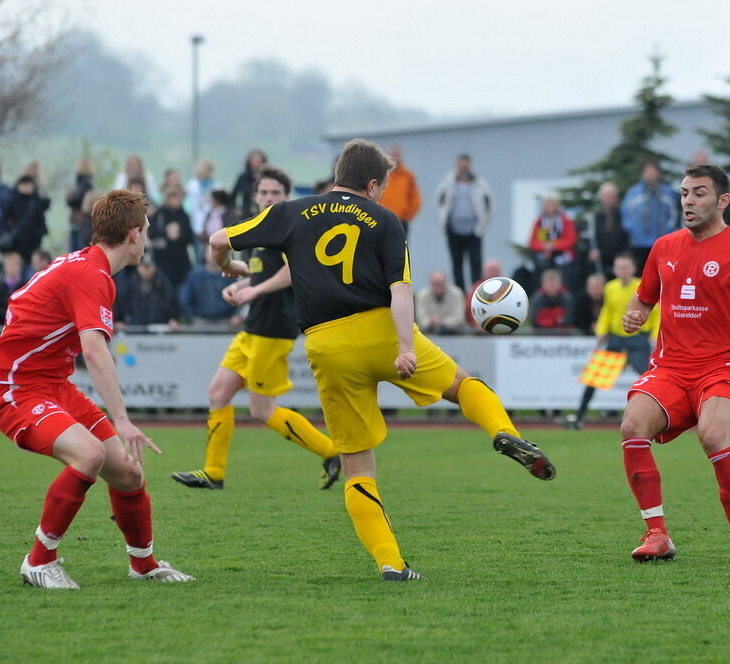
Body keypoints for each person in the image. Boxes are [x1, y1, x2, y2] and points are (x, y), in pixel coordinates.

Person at [210, 138, 555, 581]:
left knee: (357, 467)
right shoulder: (387, 221)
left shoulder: (290, 212)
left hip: (326, 344)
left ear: (338, 174)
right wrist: (406, 348)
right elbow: (401, 290)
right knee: (465, 385)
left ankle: (391, 564)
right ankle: (505, 432)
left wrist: (229, 267)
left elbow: (219, 238)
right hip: (381, 334)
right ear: (371, 185)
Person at [0, 189, 193, 589]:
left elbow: (24, 303)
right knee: (90, 454)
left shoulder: (84, 266)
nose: (146, 238)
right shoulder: (91, 275)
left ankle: (144, 564)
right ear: (131, 235)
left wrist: (5, 346)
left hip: (52, 384)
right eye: (144, 230)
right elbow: (94, 351)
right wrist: (123, 420)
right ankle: (39, 562)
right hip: (18, 389)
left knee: (127, 472)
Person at [619, 164, 730, 566]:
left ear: (722, 200)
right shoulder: (664, 247)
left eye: (699, 193)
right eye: (684, 193)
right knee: (631, 426)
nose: (688, 202)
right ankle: (656, 534)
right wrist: (635, 314)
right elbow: (643, 297)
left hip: (723, 366)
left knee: (713, 435)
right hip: (672, 367)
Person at [171, 167, 340, 491]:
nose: (268, 198)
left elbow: (293, 272)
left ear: (286, 196)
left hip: (275, 329)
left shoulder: (291, 228)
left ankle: (331, 451)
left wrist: (254, 291)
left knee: (261, 410)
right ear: (255, 196)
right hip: (253, 328)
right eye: (263, 193)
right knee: (217, 393)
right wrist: (242, 284)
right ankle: (214, 472)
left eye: (275, 193)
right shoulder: (261, 229)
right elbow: (263, 275)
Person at [565, 254, 658, 429]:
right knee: (594, 378)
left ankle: (665, 417)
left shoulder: (641, 285)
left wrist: (654, 333)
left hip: (638, 339)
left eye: (626, 267)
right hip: (616, 339)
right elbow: (607, 310)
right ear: (615, 270)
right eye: (619, 267)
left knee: (650, 379)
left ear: (633, 269)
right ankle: (578, 418)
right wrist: (601, 330)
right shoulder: (610, 287)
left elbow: (655, 311)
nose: (622, 271)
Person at [435, 154, 493, 291]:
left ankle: (476, 293)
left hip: (474, 231)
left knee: (476, 264)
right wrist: (443, 222)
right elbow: (439, 204)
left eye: (466, 165)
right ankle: (460, 294)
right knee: (457, 265)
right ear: (457, 165)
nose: (463, 167)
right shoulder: (447, 184)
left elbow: (489, 205)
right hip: (454, 231)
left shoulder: (480, 184)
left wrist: (482, 225)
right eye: (461, 165)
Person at [620, 159, 679, 269]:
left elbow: (675, 215)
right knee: (641, 273)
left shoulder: (667, 192)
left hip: (663, 242)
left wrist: (670, 232)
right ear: (643, 173)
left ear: (658, 173)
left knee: (662, 272)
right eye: (648, 171)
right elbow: (626, 214)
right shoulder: (633, 193)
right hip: (639, 242)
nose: (650, 175)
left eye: (653, 171)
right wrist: (633, 230)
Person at [114, 254, 180, 329]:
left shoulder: (163, 284)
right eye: (143, 266)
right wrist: (120, 320)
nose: (146, 270)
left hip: (159, 328)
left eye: (148, 266)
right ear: (137, 268)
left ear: (155, 267)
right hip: (135, 328)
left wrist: (173, 319)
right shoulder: (130, 284)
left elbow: (172, 304)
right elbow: (122, 304)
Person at [148, 186, 194, 289]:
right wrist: (166, 233)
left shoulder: (183, 215)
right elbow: (152, 235)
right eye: (176, 198)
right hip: (163, 263)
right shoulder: (159, 215)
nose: (179, 201)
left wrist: (179, 234)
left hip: (181, 263)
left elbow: (190, 237)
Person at [178, 248, 238, 326]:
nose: (213, 255)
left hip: (225, 321)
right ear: (205, 255)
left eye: (218, 252)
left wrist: (237, 315)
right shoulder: (195, 275)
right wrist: (191, 318)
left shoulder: (229, 275)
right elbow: (184, 298)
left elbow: (238, 295)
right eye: (211, 252)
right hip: (200, 321)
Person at [584, 182, 629, 280]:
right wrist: (590, 251)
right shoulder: (595, 218)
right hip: (600, 260)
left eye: (611, 196)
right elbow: (589, 237)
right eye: (606, 196)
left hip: (619, 257)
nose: (609, 200)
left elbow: (627, 238)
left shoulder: (624, 216)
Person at [1, 175, 50, 263]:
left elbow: (40, 219)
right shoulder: (13, 201)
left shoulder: (36, 201)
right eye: (24, 185)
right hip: (17, 240)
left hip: (33, 239)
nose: (27, 188)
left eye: (29, 185)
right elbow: (6, 219)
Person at [528, 195, 577, 276]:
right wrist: (544, 247)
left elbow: (571, 240)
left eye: (553, 205)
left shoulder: (565, 220)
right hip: (544, 255)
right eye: (548, 205)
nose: (550, 208)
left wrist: (553, 246)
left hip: (562, 255)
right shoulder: (540, 222)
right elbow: (533, 242)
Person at [379, 145, 421, 237]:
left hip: (401, 221)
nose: (394, 158)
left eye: (396, 155)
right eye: (392, 155)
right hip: (383, 220)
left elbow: (415, 198)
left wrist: (408, 214)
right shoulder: (381, 175)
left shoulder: (408, 176)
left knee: (401, 248)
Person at [415, 270, 465, 334]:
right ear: (431, 283)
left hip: (453, 332)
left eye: (441, 283)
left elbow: (459, 318)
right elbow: (421, 318)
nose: (438, 287)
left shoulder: (456, 294)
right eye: (436, 284)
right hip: (429, 331)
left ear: (445, 282)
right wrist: (431, 322)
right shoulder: (422, 295)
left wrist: (442, 322)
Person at [65, 157, 95, 252]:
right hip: (81, 221)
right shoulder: (87, 184)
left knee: (76, 250)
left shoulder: (83, 184)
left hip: (79, 221)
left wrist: (70, 196)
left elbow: (75, 200)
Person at [186, 158, 220, 241]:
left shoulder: (216, 185)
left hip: (212, 226)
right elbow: (190, 206)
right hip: (195, 226)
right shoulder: (192, 185)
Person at [465, 259, 503, 330]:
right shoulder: (476, 289)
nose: (493, 273)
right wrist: (476, 324)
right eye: (490, 270)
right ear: (484, 272)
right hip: (481, 330)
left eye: (495, 270)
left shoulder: (507, 288)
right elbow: (469, 309)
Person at [0, 252, 28, 324]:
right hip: (0, 325)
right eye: (9, 265)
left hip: (19, 325)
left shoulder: (26, 286)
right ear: (4, 267)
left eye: (15, 265)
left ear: (20, 267)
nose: (12, 268)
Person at [231, 149, 267, 218]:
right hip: (247, 211)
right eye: (255, 161)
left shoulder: (267, 176)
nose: (257, 163)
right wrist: (235, 209)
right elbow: (234, 195)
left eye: (259, 161)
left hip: (263, 210)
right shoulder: (243, 177)